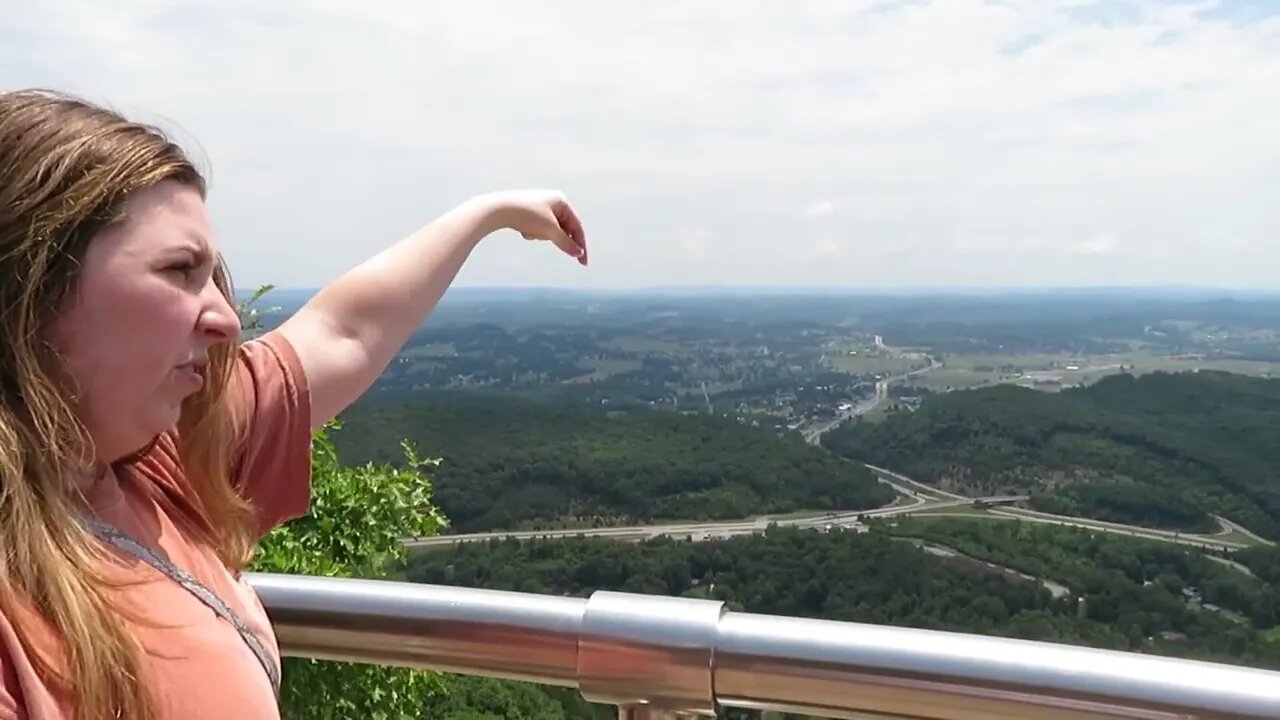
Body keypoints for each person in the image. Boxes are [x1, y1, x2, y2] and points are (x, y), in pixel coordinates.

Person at [0, 88, 588, 720]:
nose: (227, 319)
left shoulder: (159, 461)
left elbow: (343, 333)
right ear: (35, 287)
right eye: (178, 270)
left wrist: (487, 213)